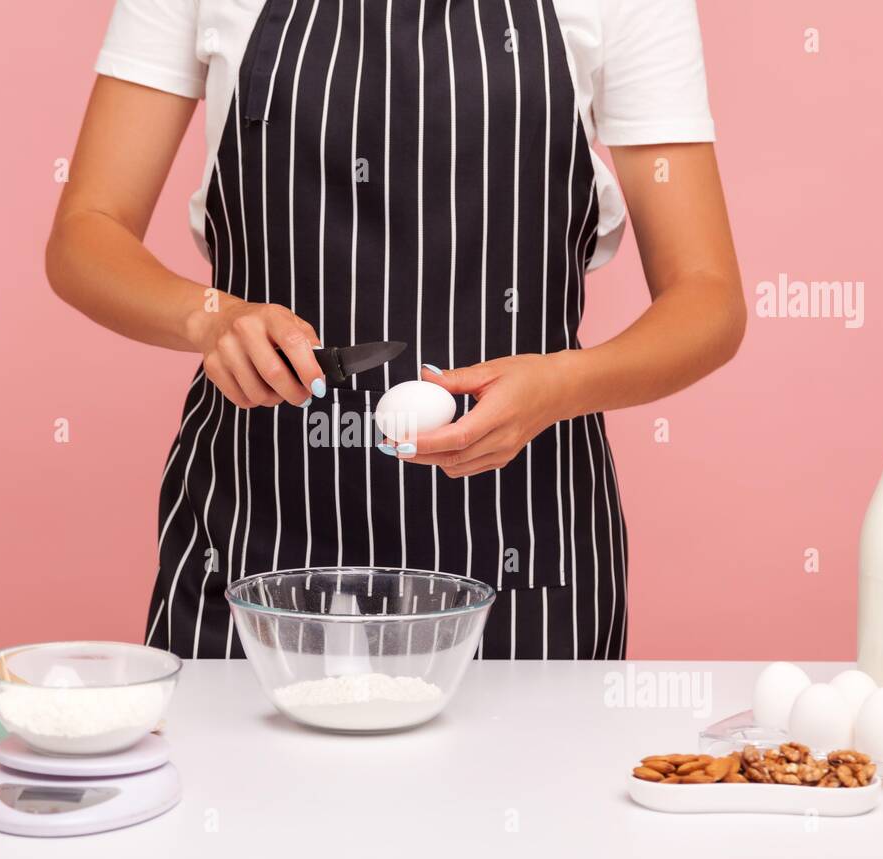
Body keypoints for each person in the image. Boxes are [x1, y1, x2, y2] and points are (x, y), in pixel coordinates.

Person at [46, 0, 745, 659]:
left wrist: (563, 385)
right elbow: (86, 235)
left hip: (522, 541)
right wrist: (211, 319)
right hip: (256, 535)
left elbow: (707, 298)